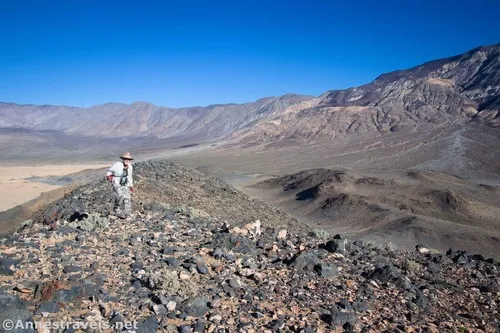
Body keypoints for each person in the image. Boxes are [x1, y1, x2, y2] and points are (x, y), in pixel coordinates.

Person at [106, 152, 134, 219]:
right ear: (123, 159)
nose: (127, 161)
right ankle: (116, 209)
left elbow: (130, 176)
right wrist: (109, 176)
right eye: (125, 159)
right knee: (120, 195)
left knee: (127, 198)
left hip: (125, 184)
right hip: (117, 183)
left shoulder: (130, 167)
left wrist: (131, 185)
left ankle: (128, 214)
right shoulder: (117, 165)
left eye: (128, 159)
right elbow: (109, 171)